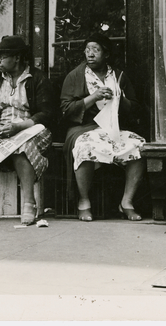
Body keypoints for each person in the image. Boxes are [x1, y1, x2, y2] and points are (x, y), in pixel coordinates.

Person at [0, 35, 55, 226]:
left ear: (17, 57)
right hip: (5, 127)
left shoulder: (37, 78)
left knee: (22, 146)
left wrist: (20, 127)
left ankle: (28, 204)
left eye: (2, 56)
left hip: (32, 128)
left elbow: (46, 114)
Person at [60, 32, 146, 222]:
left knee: (139, 146)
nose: (90, 54)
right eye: (87, 50)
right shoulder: (75, 76)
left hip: (113, 128)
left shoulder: (119, 76)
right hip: (85, 129)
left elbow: (136, 107)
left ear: (106, 54)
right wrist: (94, 97)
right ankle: (84, 202)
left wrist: (119, 98)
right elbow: (66, 110)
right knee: (85, 147)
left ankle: (126, 203)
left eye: (96, 50)